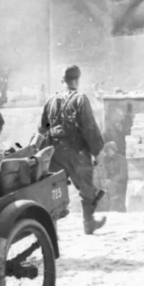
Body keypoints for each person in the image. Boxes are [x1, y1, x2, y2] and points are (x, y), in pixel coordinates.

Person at [38, 65, 106, 234]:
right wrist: (97, 151)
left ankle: (51, 231)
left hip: (55, 153)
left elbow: (42, 128)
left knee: (54, 189)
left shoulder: (51, 100)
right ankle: (88, 223)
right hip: (77, 153)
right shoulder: (80, 99)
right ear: (77, 80)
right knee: (86, 188)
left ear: (63, 81)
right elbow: (89, 128)